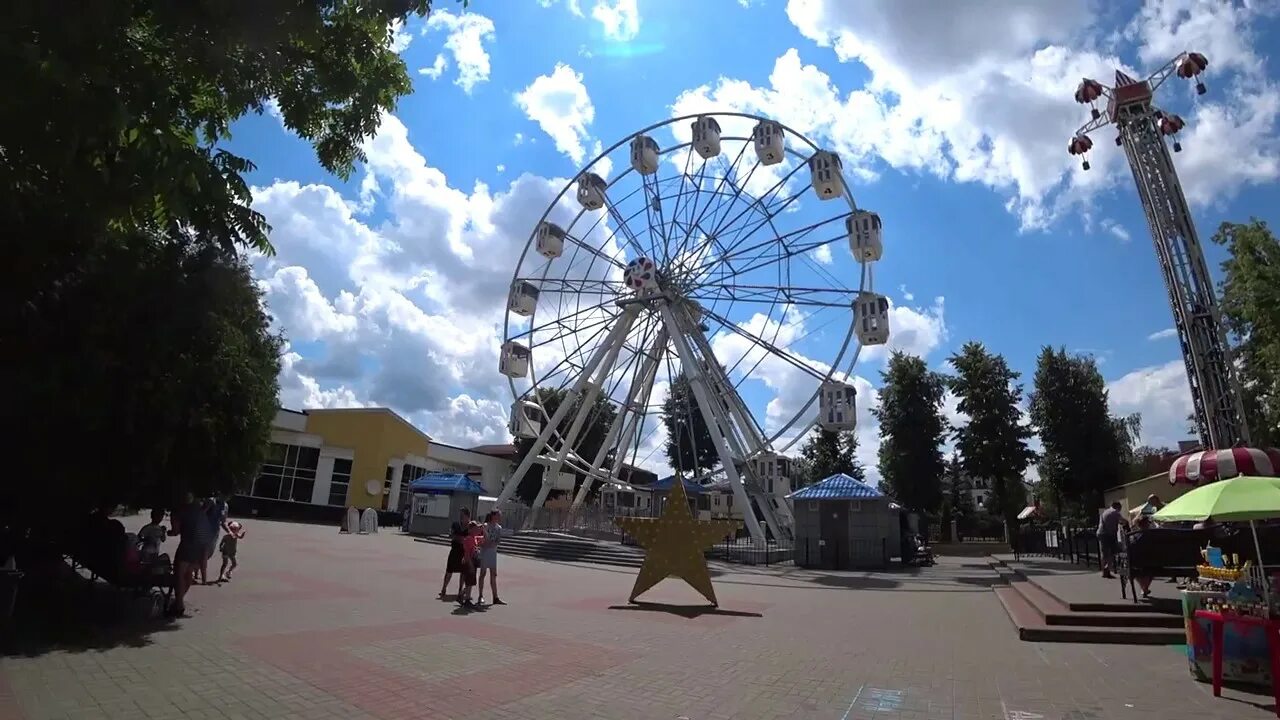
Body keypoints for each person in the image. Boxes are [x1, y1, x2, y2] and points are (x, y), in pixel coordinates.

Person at [169, 492, 212, 617]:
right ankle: (179, 602)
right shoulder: (198, 510)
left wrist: (169, 532)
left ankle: (179, 604)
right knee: (188, 574)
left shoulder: (178, 511)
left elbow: (176, 531)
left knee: (179, 574)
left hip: (187, 545)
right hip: (199, 546)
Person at [439, 508, 472, 600]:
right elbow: (452, 535)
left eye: (462, 515)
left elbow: (471, 538)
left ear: (467, 516)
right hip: (455, 550)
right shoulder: (456, 524)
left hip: (464, 552)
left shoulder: (470, 526)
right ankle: (444, 588)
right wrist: (461, 539)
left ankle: (460, 591)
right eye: (460, 515)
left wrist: (461, 539)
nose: (461, 516)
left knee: (463, 572)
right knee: (449, 570)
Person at [201, 494, 230, 585]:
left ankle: (196, 570)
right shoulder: (211, 501)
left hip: (214, 532)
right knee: (203, 554)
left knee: (209, 554)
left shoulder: (225, 506)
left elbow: (223, 521)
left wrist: (230, 532)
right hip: (203, 531)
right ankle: (201, 577)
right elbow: (201, 514)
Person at [477, 510, 505, 606]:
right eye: (498, 515)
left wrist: (494, 543)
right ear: (493, 516)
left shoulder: (498, 528)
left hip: (493, 552)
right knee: (483, 574)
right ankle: (480, 596)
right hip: (485, 552)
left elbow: (498, 540)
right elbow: (481, 538)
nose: (499, 517)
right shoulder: (485, 526)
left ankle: (495, 597)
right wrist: (485, 542)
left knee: (493, 574)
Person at [1097, 501, 1128, 579]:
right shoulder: (1115, 512)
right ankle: (1108, 568)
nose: (1120, 510)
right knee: (1113, 552)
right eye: (1120, 508)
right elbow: (1123, 521)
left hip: (1101, 533)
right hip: (1109, 534)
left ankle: (1104, 571)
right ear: (1117, 507)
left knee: (1104, 553)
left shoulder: (1105, 512)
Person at [457, 520, 484, 607]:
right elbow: (467, 553)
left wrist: (484, 529)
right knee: (469, 582)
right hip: (469, 562)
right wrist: (470, 564)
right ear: (471, 529)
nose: (478, 530)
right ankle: (467, 600)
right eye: (476, 528)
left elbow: (484, 538)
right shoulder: (469, 539)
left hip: (472, 562)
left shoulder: (474, 538)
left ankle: (462, 594)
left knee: (471, 581)